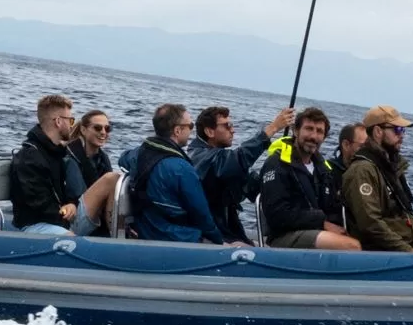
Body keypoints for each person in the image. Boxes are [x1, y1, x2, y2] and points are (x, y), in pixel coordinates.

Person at [128, 104, 238, 244]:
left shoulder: (137, 154)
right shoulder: (182, 169)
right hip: (174, 237)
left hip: (145, 228)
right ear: (177, 130)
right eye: (190, 126)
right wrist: (219, 241)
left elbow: (123, 159)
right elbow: (201, 215)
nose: (192, 131)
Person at [254, 107, 361, 250]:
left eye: (319, 131)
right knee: (351, 246)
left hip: (318, 231)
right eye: (309, 129)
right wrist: (321, 222)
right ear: (296, 131)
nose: (313, 136)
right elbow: (277, 214)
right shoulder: (277, 164)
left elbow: (333, 208)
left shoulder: (323, 169)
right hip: (284, 236)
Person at [10, 94, 117, 236]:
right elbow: (38, 203)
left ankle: (115, 235)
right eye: (70, 120)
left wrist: (72, 204)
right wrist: (66, 221)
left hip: (63, 218)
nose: (72, 125)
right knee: (69, 238)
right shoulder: (30, 157)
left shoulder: (58, 152)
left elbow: (67, 191)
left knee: (114, 178)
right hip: (38, 224)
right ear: (59, 121)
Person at [187, 105, 289, 244]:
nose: (233, 130)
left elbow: (255, 186)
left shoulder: (222, 162)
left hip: (228, 232)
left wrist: (280, 166)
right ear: (209, 131)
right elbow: (237, 160)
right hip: (210, 235)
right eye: (227, 126)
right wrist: (273, 128)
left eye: (232, 125)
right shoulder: (200, 157)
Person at [341, 106, 413, 253]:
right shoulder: (362, 171)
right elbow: (371, 224)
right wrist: (410, 252)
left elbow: (405, 214)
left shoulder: (391, 168)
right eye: (397, 129)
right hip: (383, 254)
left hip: (404, 249)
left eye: (403, 130)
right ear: (378, 131)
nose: (402, 135)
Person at [70, 110, 115, 192]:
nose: (103, 132)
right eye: (97, 128)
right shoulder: (69, 156)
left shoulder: (103, 160)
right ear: (83, 130)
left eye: (107, 128)